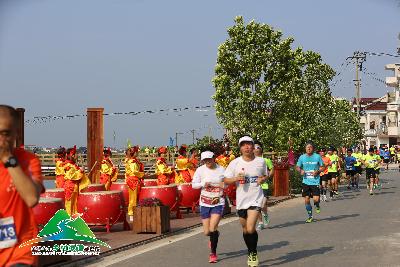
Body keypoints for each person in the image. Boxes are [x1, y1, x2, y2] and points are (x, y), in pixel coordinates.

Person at [0, 105, 45, 267]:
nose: (0, 140)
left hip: (20, 253)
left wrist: (7, 159)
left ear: (16, 134)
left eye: (5, 134)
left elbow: (32, 198)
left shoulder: (29, 161)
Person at [224, 136, 268, 267]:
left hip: (256, 198)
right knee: (245, 229)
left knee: (250, 227)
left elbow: (265, 175)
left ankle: (253, 253)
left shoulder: (261, 162)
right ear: (240, 148)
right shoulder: (235, 163)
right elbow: (225, 180)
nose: (247, 147)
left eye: (249, 144)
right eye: (243, 145)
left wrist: (263, 179)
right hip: (242, 199)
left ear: (253, 147)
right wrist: (236, 178)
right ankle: (250, 250)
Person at [192, 151, 225, 263]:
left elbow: (228, 183)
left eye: (209, 159)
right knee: (207, 232)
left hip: (218, 201)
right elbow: (193, 185)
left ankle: (213, 253)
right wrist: (203, 184)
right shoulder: (200, 170)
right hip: (205, 202)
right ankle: (214, 235)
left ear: (214, 158)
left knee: (212, 228)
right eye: (205, 160)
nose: (208, 162)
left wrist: (223, 185)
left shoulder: (221, 169)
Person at [296, 141, 325, 223]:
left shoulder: (317, 157)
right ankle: (310, 216)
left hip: (315, 181)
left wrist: (317, 171)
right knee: (307, 199)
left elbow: (323, 167)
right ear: (305, 148)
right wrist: (300, 170)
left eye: (310, 147)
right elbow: (297, 167)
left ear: (313, 148)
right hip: (305, 181)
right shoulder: (302, 157)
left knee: (316, 199)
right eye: (307, 147)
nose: (308, 148)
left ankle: (317, 205)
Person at [63, 146, 91, 215]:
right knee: (69, 204)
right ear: (71, 155)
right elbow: (71, 176)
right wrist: (80, 172)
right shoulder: (68, 165)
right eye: (75, 154)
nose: (76, 156)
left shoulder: (73, 165)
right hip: (70, 186)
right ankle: (68, 218)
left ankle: (74, 216)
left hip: (74, 186)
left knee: (75, 203)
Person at [253, 141, 273, 230]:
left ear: (261, 149)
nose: (255, 149)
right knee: (256, 206)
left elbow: (272, 169)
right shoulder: (250, 161)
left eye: (257, 147)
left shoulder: (266, 160)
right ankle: (260, 223)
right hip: (254, 186)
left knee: (262, 205)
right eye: (254, 147)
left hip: (264, 185)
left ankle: (265, 214)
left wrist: (267, 176)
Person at [125, 146, 145, 219]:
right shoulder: (132, 162)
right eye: (137, 152)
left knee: (135, 197)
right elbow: (134, 172)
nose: (138, 153)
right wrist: (142, 174)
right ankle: (131, 213)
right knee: (133, 198)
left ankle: (134, 212)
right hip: (133, 181)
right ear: (134, 153)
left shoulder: (133, 161)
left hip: (134, 180)